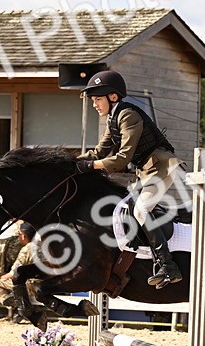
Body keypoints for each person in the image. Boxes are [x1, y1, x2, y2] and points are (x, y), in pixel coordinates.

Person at [77, 70, 183, 288]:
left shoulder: (128, 115)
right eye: (93, 100)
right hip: (145, 172)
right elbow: (99, 152)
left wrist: (90, 166)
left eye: (97, 99)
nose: (94, 104)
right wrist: (70, 162)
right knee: (126, 207)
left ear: (113, 96)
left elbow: (122, 158)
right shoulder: (113, 119)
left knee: (141, 210)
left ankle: (167, 265)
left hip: (161, 167)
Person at [0, 222, 39, 320]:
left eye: (20, 234)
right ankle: (19, 308)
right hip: (44, 283)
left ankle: (19, 307)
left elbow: (14, 272)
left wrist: (0, 277)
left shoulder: (26, 249)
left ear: (24, 236)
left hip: (30, 285)